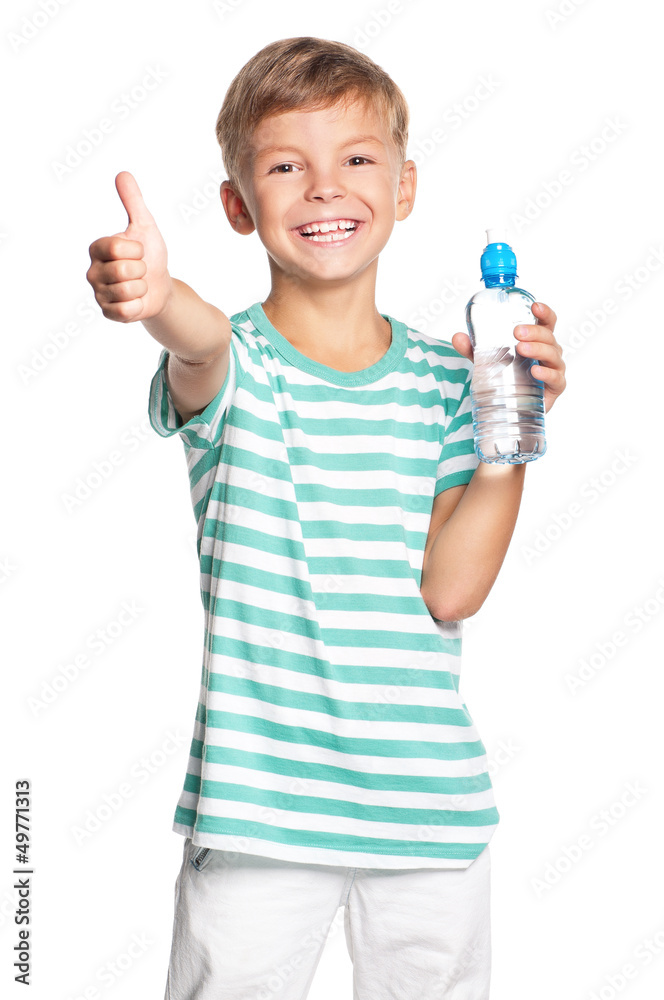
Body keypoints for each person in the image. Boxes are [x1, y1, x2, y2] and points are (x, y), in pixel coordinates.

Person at [86, 35, 566, 1000]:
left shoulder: (452, 380)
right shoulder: (239, 368)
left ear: (404, 185)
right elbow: (199, 338)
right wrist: (154, 297)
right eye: (283, 166)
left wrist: (511, 434)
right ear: (237, 204)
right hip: (261, 816)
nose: (323, 189)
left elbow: (452, 588)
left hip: (429, 815)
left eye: (355, 159)